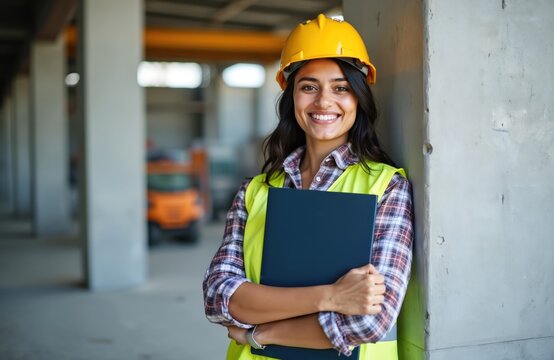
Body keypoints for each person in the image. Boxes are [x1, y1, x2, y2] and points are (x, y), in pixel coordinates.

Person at [203, 14, 414, 360]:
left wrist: (260, 333)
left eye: (341, 87)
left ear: (358, 99)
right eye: (309, 86)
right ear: (292, 97)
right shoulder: (255, 191)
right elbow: (218, 297)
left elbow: (367, 323)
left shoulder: (387, 188)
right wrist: (330, 297)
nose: (323, 102)